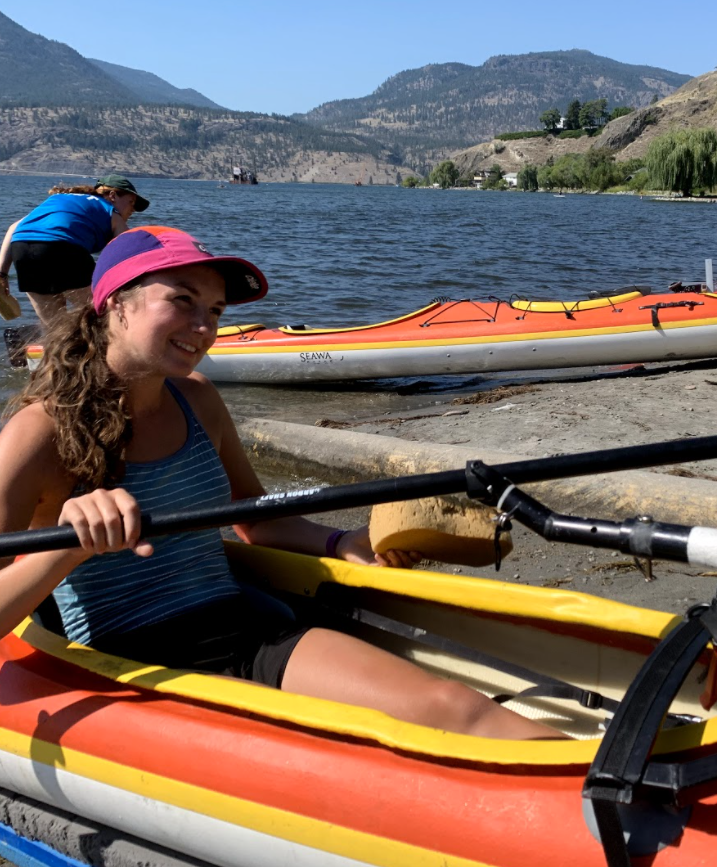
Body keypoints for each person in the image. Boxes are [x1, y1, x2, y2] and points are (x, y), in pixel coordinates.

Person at [0, 225, 564, 741]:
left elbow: (255, 517)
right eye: (182, 301)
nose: (204, 328)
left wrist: (339, 543)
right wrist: (67, 549)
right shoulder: (36, 434)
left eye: (215, 310)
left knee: (454, 707)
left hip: (239, 629)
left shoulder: (198, 399)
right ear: (115, 304)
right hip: (130, 664)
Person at [0, 175, 149, 325]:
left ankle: (60, 346)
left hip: (21, 249)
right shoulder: (110, 211)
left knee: (55, 327)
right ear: (112, 196)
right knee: (102, 316)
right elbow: (126, 250)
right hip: (63, 248)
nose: (133, 210)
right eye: (131, 202)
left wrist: (2, 274)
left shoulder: (62, 199)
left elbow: (13, 228)